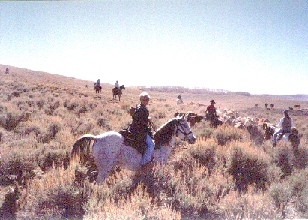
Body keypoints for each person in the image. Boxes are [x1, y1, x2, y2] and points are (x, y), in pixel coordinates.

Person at [128, 91, 154, 166]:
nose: (146, 101)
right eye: (145, 100)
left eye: (147, 100)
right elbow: (142, 123)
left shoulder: (139, 106)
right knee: (151, 145)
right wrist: (147, 121)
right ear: (141, 100)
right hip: (139, 131)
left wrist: (147, 118)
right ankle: (144, 162)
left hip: (134, 128)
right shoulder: (143, 110)